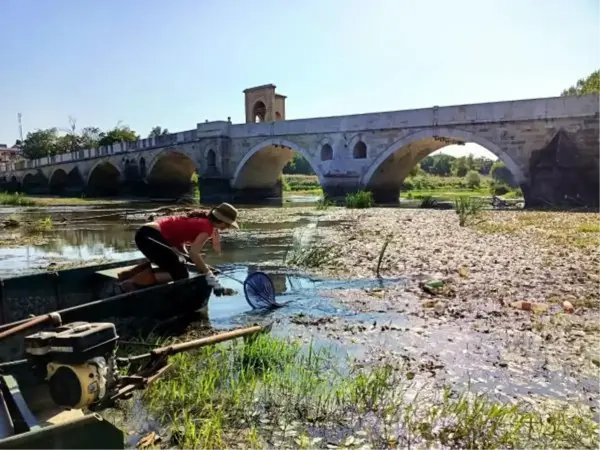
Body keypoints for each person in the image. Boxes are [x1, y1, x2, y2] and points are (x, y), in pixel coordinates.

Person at [117, 202, 239, 293]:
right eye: (227, 224)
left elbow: (180, 244)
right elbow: (194, 253)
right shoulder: (207, 227)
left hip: (146, 233)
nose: (227, 227)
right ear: (221, 220)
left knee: (176, 262)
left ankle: (128, 274)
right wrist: (209, 274)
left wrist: (188, 258)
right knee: (180, 274)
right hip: (151, 236)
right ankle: (131, 283)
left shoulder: (202, 221)